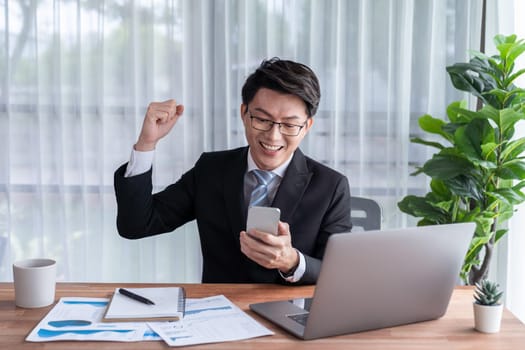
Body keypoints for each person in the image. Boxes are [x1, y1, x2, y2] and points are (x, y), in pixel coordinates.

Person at [114, 57, 352, 284]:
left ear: (307, 126)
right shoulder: (211, 170)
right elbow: (136, 225)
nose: (273, 135)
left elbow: (339, 273)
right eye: (262, 119)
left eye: (289, 125)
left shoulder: (331, 186)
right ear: (244, 114)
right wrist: (146, 143)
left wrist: (291, 261)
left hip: (290, 316)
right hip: (217, 311)